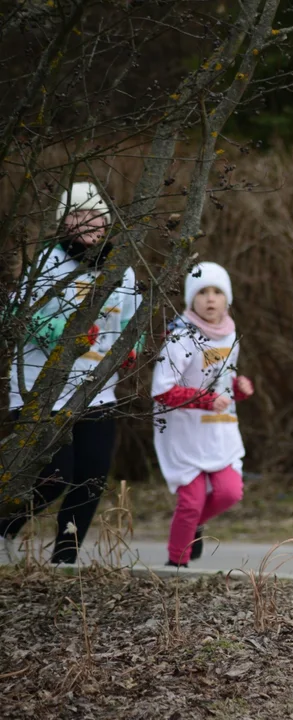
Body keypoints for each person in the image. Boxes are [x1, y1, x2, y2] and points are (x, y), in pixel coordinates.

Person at [2, 182, 142, 564]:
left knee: (92, 479)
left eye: (96, 216)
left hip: (97, 390)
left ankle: (65, 560)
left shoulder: (120, 269)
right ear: (64, 223)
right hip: (42, 390)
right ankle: (4, 529)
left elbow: (134, 320)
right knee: (54, 477)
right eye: (78, 215)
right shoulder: (46, 264)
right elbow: (15, 315)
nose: (88, 224)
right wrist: (64, 335)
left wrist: (133, 347)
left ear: (107, 223)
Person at [151, 262, 253, 568]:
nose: (210, 299)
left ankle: (191, 525)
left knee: (230, 492)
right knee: (191, 501)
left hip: (219, 430)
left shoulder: (229, 332)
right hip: (185, 432)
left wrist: (239, 387)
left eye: (217, 292)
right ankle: (176, 564)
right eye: (203, 292)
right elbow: (161, 390)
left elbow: (219, 378)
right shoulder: (180, 338)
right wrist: (206, 400)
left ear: (228, 299)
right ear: (190, 299)